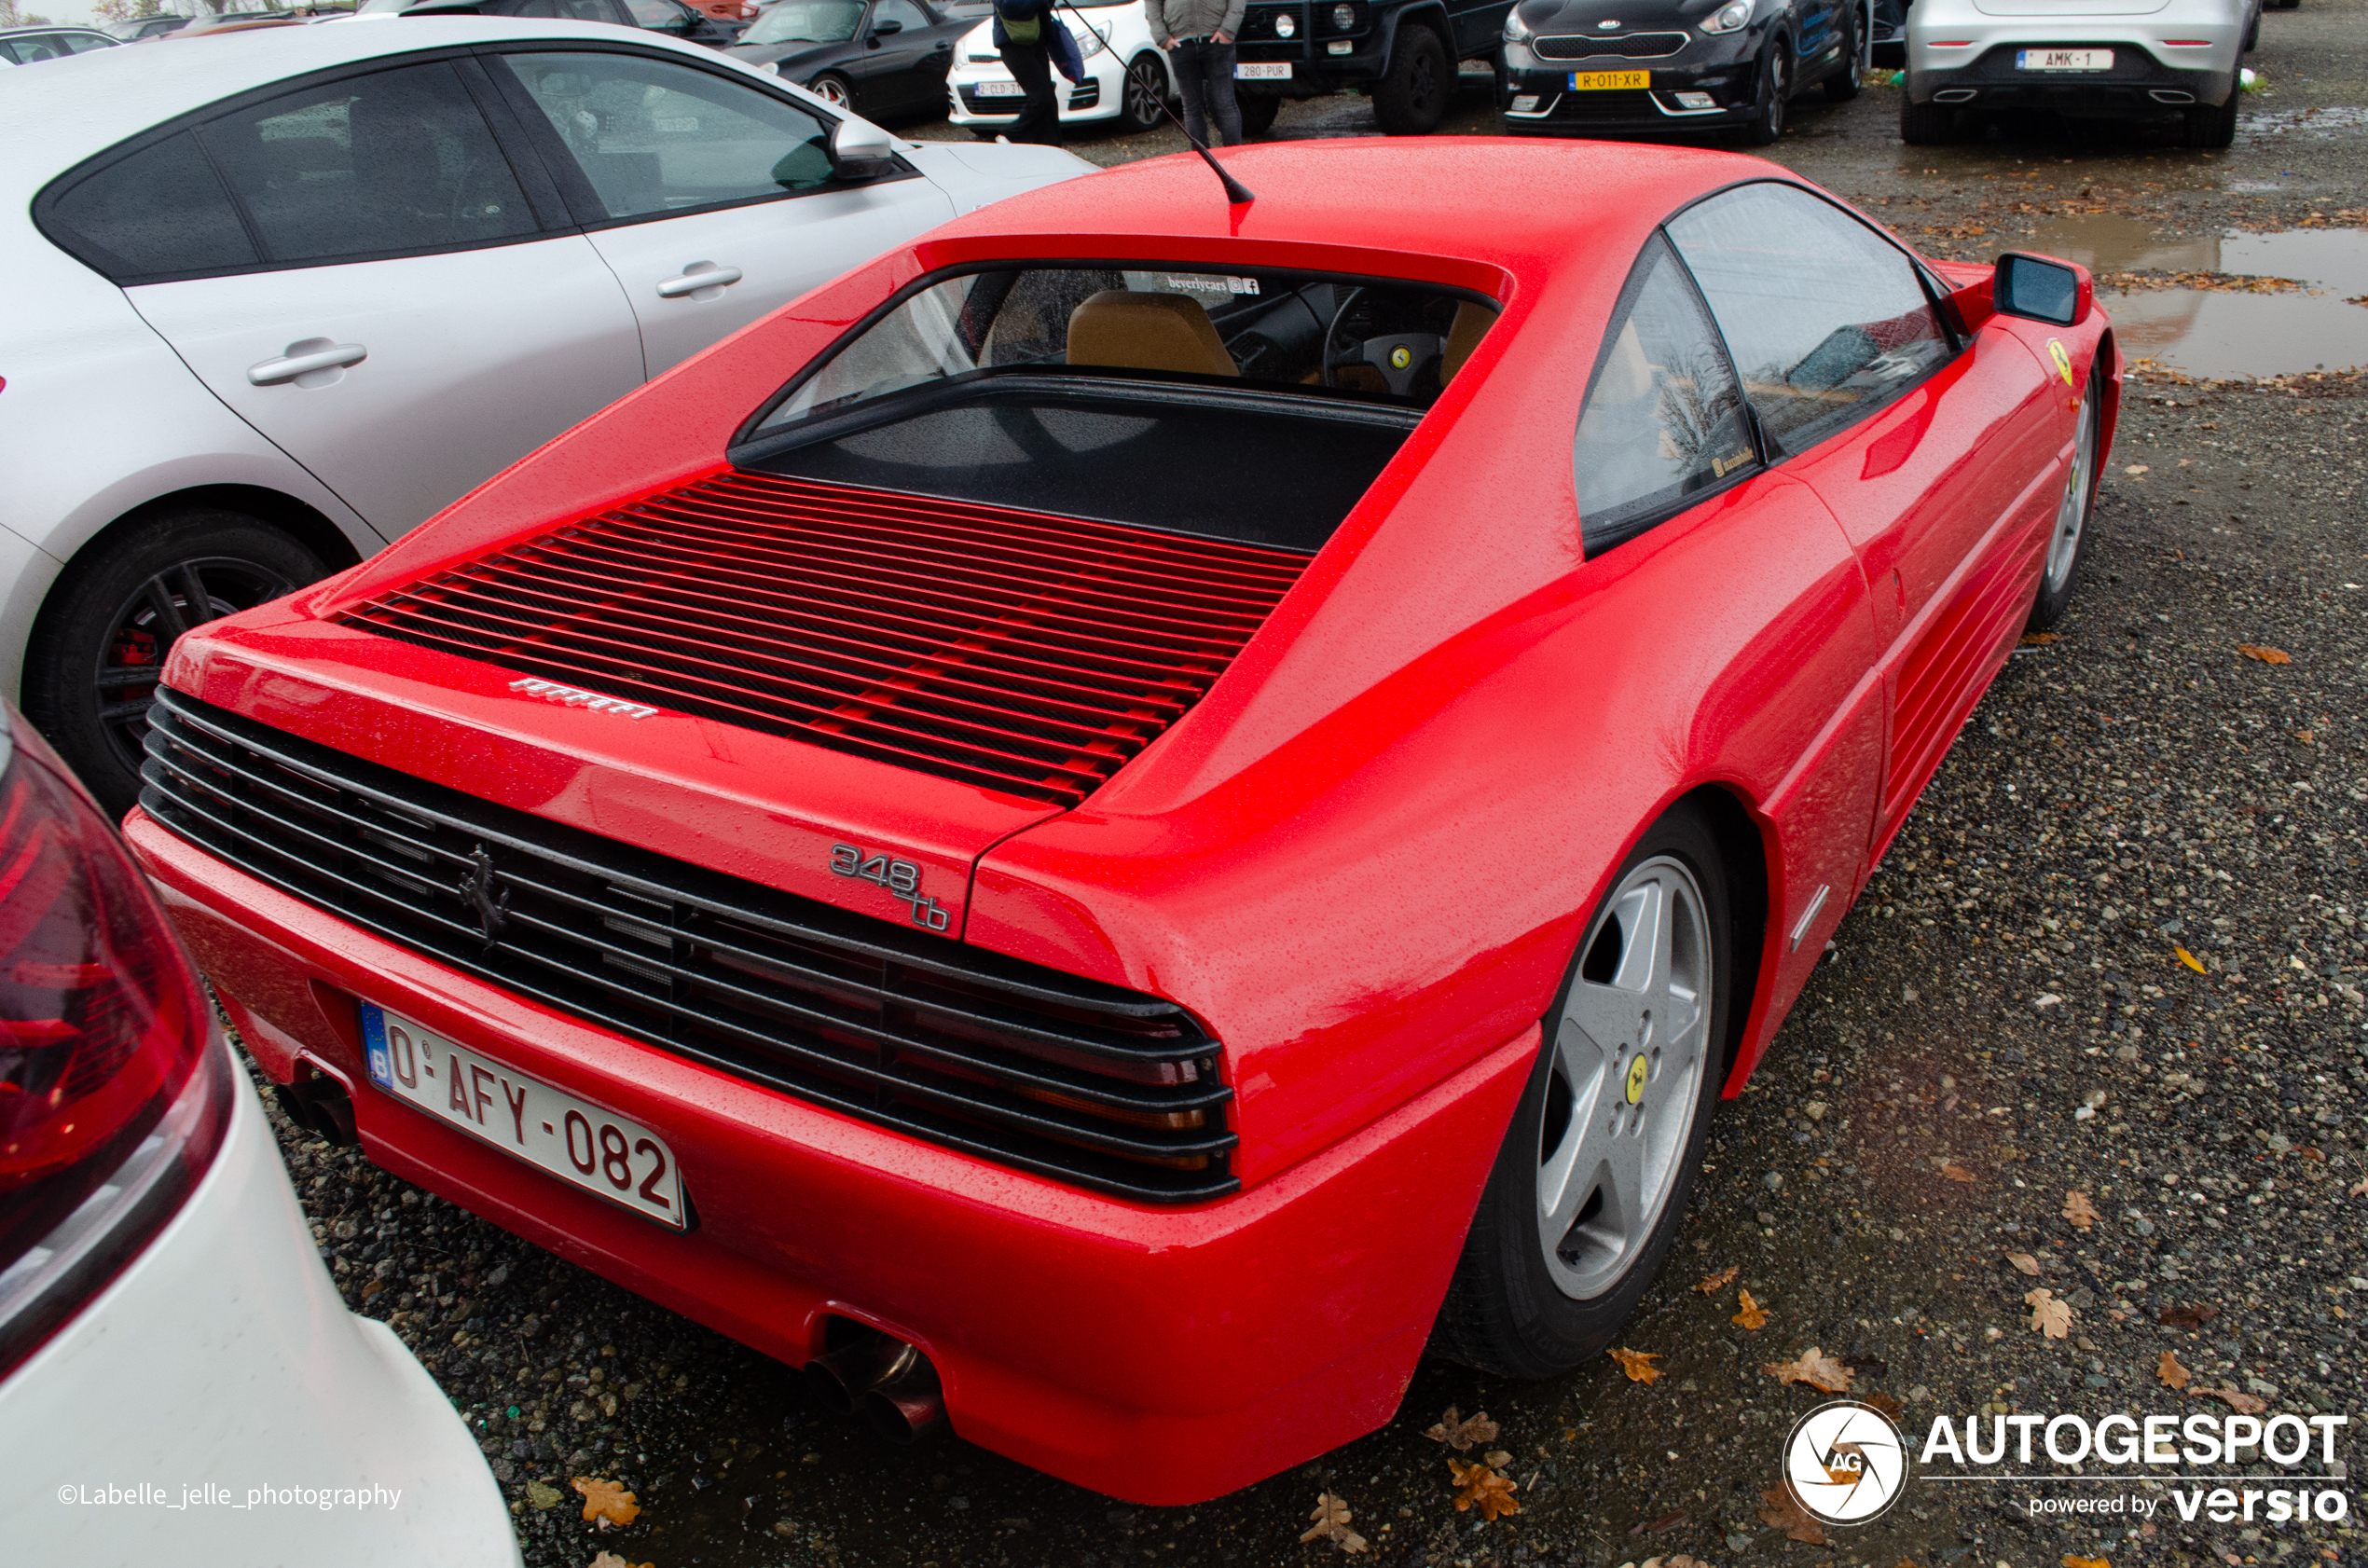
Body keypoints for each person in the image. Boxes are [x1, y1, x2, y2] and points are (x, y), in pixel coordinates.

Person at [1149, 0, 1247, 146]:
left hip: (1218, 41)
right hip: (1181, 44)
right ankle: (1201, 164)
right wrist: (1161, 36)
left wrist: (1228, 29)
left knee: (1225, 104)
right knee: (1192, 109)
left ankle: (1234, 162)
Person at [991, 0, 1085, 146]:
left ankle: (1052, 148)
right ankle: (1009, 134)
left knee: (1049, 101)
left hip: (1036, 40)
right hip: (1013, 44)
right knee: (1041, 97)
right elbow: (1008, 7)